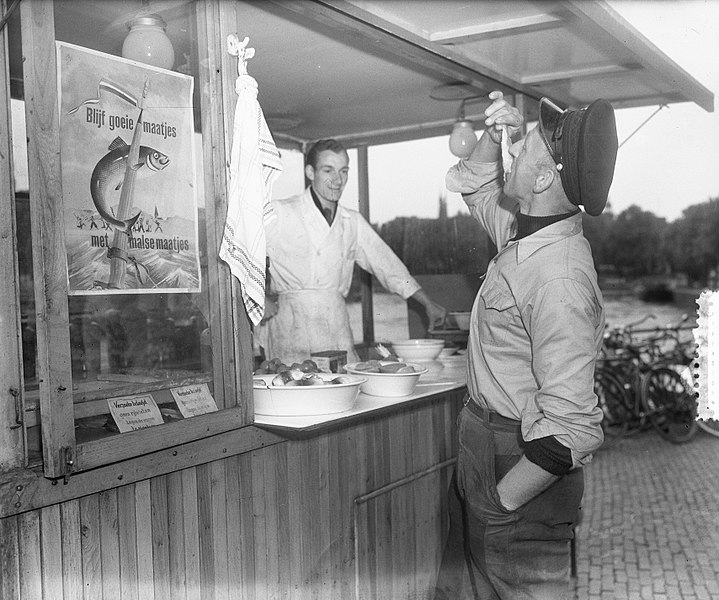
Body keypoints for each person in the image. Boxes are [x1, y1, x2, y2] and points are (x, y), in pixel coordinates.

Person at [434, 91, 618, 600]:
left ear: (540, 180)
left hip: (517, 471)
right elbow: (474, 184)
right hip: (486, 451)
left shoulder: (558, 278)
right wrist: (495, 139)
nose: (517, 145)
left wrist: (500, 503)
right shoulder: (525, 234)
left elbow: (572, 430)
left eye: (528, 144)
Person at [260, 138, 446, 364]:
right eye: (328, 170)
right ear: (310, 172)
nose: (338, 180)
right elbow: (240, 253)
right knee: (294, 383)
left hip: (335, 322)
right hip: (291, 326)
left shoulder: (352, 222)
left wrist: (427, 303)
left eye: (344, 171)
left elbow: (389, 267)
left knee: (343, 387)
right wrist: (259, 298)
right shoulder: (282, 212)